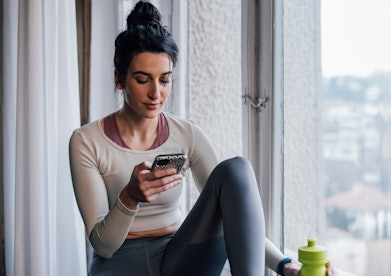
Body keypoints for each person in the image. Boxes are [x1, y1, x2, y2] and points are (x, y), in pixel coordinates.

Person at [69, 2, 334, 275]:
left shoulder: (187, 134)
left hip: (179, 260)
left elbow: (239, 216)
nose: (156, 93)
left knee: (236, 169)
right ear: (119, 79)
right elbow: (103, 246)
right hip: (121, 264)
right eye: (142, 79)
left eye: (164, 80)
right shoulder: (86, 142)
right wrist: (130, 197)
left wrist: (284, 264)